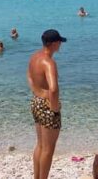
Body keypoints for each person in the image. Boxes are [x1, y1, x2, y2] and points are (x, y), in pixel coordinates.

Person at [27, 29, 66, 179]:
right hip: (47, 106)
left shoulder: (34, 57)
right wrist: (54, 108)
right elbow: (54, 89)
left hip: (36, 102)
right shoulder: (49, 62)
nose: (61, 44)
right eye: (60, 42)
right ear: (54, 43)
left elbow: (29, 77)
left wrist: (38, 92)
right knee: (48, 149)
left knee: (40, 145)